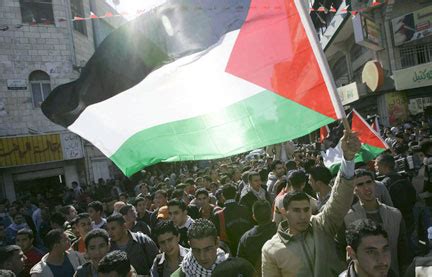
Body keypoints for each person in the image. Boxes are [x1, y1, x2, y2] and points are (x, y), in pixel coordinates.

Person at [261, 130, 361, 276]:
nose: (303, 216)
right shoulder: (270, 250)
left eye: (306, 209)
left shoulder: (321, 226)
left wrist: (349, 158)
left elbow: (339, 200)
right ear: (284, 212)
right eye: (296, 210)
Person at [344, 169, 411, 275]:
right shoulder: (348, 218)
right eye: (360, 184)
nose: (366, 188)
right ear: (354, 190)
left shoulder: (395, 214)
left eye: (369, 182)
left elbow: (403, 249)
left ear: (374, 184)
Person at [375, 154, 417, 236]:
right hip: (409, 215)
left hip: (395, 219)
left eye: (376, 164)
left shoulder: (384, 183)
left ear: (383, 166)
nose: (375, 167)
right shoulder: (403, 176)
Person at [212, 184, 254, 256]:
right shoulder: (245, 209)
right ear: (236, 194)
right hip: (248, 249)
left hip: (230, 253)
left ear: (223, 196)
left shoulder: (219, 215)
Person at [237, 200, 276, 272]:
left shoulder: (245, 238)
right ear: (271, 214)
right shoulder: (280, 233)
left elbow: (240, 263)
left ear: (254, 217)